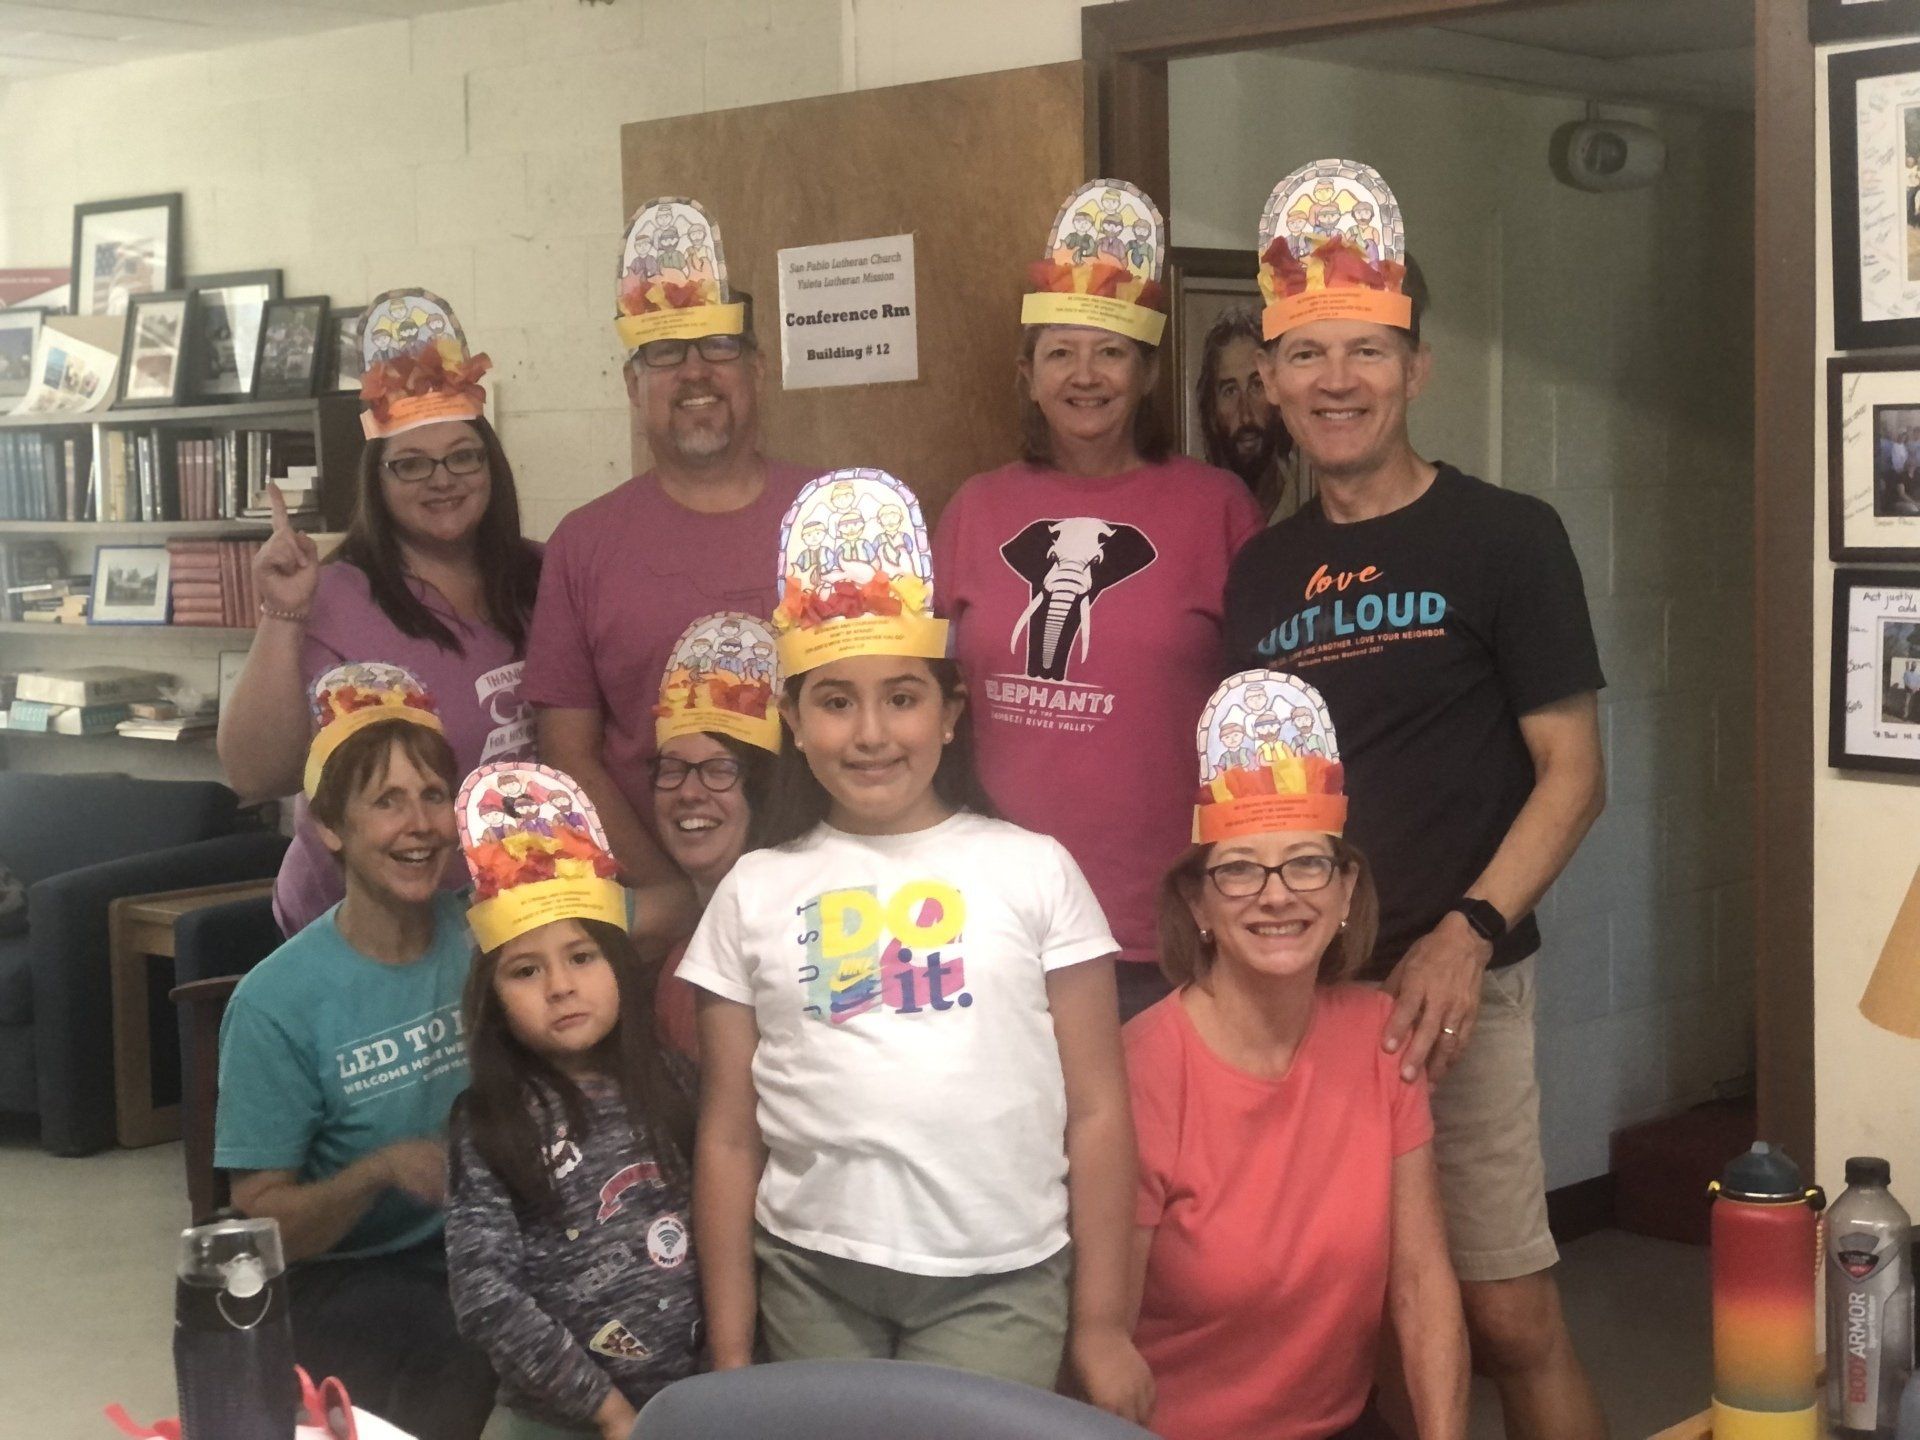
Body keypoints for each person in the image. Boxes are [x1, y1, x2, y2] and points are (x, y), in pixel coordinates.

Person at [1225, 158, 1609, 1440]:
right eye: (1310, 355)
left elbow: (1574, 775)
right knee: (1370, 1310)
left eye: (1370, 352)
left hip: (1462, 987)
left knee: (1507, 1310)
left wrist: (1471, 929)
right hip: (1309, 993)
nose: (1339, 380)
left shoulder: (1508, 536)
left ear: (1417, 368)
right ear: (1271, 383)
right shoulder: (1262, 571)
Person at [682, 468, 1152, 1420]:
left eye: (901, 698)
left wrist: (1100, 1324)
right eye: (834, 702)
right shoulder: (754, 890)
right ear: (793, 723)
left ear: (949, 711)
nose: (869, 735)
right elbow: (730, 1135)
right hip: (813, 1276)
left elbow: (1099, 1112)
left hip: (999, 1276)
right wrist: (731, 1352)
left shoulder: (1035, 871)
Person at [936, 179, 1265, 1023]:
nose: (1085, 376)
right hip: (998, 922)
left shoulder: (1217, 508)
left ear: (1148, 370)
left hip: (1160, 930)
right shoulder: (975, 509)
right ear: (1028, 374)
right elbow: (924, 699)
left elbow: (1261, 715)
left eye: (1110, 352)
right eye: (1059, 352)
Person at [1128, 669, 1468, 1440]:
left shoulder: (1382, 1038)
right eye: (1241, 869)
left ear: (1346, 891)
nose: (1277, 895)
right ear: (1198, 902)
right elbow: (1099, 1346)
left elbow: (1421, 1284)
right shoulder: (1142, 1068)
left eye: (1307, 864)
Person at [213, 665, 495, 1440]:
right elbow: (259, 1229)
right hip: (348, 1276)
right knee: (458, 1358)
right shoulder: (276, 1002)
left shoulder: (492, 927)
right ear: (330, 827)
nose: (420, 825)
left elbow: (628, 917)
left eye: (434, 797)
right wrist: (377, 1172)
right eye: (387, 802)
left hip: (495, 1241)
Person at [525, 196, 815, 931]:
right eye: (665, 353)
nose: (695, 373)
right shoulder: (584, 544)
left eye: (717, 347)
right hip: (659, 918)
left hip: (822, 908)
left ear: (757, 369)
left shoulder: (827, 519)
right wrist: (681, 897)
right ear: (631, 385)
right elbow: (570, 755)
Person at [218, 287, 542, 937]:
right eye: (411, 465)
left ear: (491, 465)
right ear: (378, 478)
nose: (441, 479)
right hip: (360, 934)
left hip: (508, 918)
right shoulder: (333, 595)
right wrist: (283, 615)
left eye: (462, 456)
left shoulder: (542, 575)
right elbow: (256, 773)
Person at [445, 760, 700, 1440]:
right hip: (552, 1416)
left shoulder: (675, 1084)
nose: (560, 986)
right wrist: (611, 1414)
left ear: (620, 967)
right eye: (526, 971)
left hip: (690, 1404)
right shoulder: (490, 1124)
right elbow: (484, 1296)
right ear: (495, 1000)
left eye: (582, 958)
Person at [646, 610, 783, 1056]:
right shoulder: (676, 967)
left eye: (718, 770)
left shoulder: (787, 941)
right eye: (672, 770)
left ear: (763, 788)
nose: (688, 792)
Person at [1195, 304, 1310, 520]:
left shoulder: (1311, 495)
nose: (1245, 414)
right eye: (1229, 391)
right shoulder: (1195, 510)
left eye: (1256, 386)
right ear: (1210, 409)